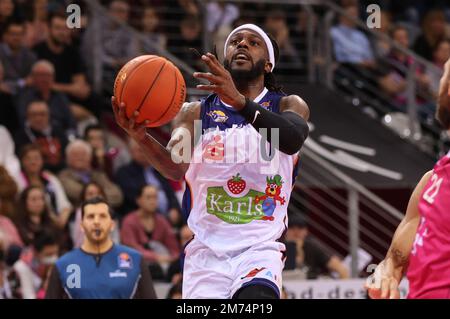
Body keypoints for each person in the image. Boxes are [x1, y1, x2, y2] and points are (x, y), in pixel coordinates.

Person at [112, 23, 309, 299]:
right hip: (206, 253)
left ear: (268, 65)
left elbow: (291, 139)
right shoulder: (193, 113)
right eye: (235, 41)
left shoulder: (288, 105)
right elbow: (174, 167)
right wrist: (141, 137)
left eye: (253, 43)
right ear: (226, 59)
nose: (242, 44)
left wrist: (240, 102)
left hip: (260, 249)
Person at [366, 57, 450, 299]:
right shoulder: (431, 180)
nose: (441, 82)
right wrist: (388, 271)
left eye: (446, 75)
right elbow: (396, 257)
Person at [45, 197, 157, 299]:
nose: (96, 222)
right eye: (90, 217)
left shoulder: (135, 259)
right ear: (81, 225)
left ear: (112, 224)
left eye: (102, 216)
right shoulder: (63, 265)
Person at [120, 185, 180, 281]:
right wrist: (156, 257)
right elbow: (131, 248)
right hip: (134, 268)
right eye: (148, 197)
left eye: (155, 197)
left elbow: (174, 247)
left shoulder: (162, 221)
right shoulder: (129, 221)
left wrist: (172, 258)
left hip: (162, 268)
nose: (152, 201)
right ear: (138, 200)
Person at [284, 213, 349, 279]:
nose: (296, 232)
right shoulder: (279, 247)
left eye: (300, 228)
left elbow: (340, 269)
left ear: (306, 231)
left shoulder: (312, 246)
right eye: (291, 228)